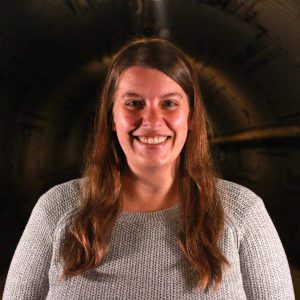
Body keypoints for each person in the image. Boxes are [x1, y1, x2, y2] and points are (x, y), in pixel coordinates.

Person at [3, 38, 295, 300]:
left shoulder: (243, 213)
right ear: (112, 117)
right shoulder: (56, 210)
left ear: (191, 116)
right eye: (134, 103)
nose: (152, 120)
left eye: (169, 103)